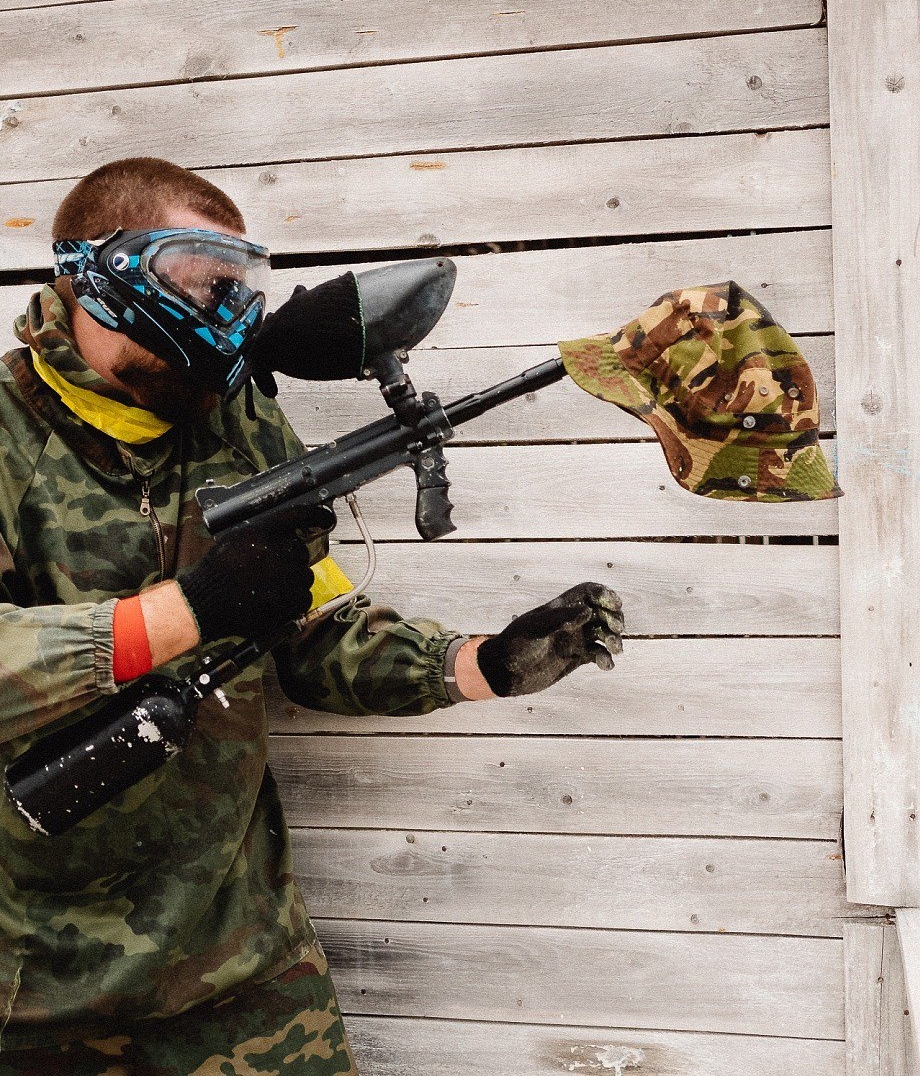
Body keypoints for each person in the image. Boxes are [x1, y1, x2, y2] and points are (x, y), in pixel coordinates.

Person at [0, 157, 623, 1074]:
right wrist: (191, 609)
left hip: (238, 960)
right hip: (29, 986)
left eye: (240, 287)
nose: (230, 315)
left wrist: (481, 665)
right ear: (101, 271)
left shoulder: (242, 424)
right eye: (203, 282)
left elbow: (315, 626)